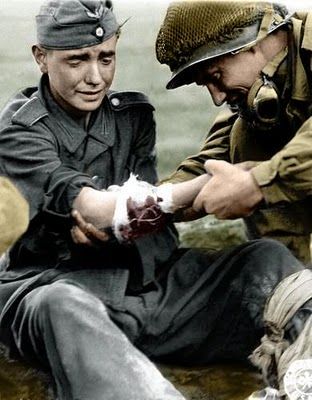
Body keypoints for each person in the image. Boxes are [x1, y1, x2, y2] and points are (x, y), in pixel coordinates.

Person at [0, 1, 309, 399]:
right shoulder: (18, 131)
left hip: (149, 290)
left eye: (105, 57)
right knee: (60, 306)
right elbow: (106, 206)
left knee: (264, 260)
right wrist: (242, 180)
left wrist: (254, 180)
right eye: (77, 61)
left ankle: (304, 380)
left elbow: (150, 213)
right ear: (41, 57)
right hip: (63, 288)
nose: (95, 77)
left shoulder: (133, 116)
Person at [156, 0, 312, 264]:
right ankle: (294, 283)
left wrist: (256, 184)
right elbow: (210, 164)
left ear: (252, 44)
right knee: (244, 137)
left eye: (216, 76)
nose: (217, 98)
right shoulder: (254, 98)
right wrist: (143, 205)